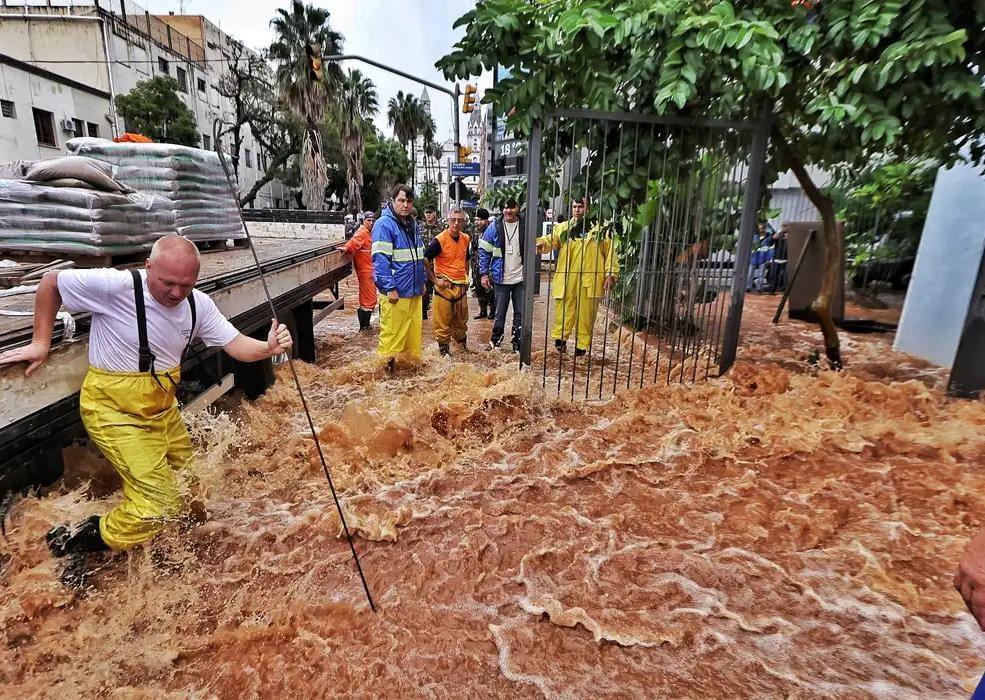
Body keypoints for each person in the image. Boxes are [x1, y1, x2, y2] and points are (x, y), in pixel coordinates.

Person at [0, 235, 293, 586]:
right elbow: (51, 283)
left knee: (192, 489)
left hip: (161, 409)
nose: (175, 293)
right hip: (113, 409)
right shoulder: (117, 286)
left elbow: (236, 345)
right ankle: (72, 539)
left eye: (185, 285)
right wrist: (40, 342)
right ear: (148, 267)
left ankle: (172, 551)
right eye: (167, 283)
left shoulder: (197, 304)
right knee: (159, 504)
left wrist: (267, 347)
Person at [536, 197, 618, 356]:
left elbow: (610, 254)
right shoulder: (563, 228)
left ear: (588, 208)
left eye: (580, 206)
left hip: (590, 280)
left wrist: (611, 274)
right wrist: (541, 243)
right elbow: (550, 240)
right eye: (574, 206)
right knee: (563, 313)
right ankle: (560, 347)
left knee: (586, 317)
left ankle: (581, 352)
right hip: (567, 279)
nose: (577, 209)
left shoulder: (600, 231)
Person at [373, 184, 426, 370]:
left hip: (414, 291)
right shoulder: (384, 225)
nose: (405, 205)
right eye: (401, 201)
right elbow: (380, 261)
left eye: (409, 201)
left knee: (412, 339)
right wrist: (389, 288)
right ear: (393, 201)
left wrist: (422, 281)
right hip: (396, 293)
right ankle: (385, 376)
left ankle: (408, 377)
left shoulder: (412, 224)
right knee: (391, 338)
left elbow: (419, 255)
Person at [479, 200, 525, 352]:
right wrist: (484, 274)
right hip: (500, 278)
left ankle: (517, 343)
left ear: (518, 208)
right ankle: (495, 341)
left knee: (520, 312)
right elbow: (484, 251)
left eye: (512, 207)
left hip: (520, 278)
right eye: (505, 208)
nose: (508, 211)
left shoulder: (526, 225)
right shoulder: (494, 227)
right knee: (499, 313)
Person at [424, 208, 471, 356]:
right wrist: (434, 280)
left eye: (460, 220)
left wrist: (467, 276)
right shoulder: (439, 240)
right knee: (442, 325)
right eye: (453, 220)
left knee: (462, 323)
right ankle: (444, 356)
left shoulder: (465, 238)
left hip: (461, 287)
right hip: (444, 288)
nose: (456, 223)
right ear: (448, 221)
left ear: (464, 222)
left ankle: (462, 353)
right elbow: (425, 259)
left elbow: (466, 258)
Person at [341, 210, 377, 331]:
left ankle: (365, 327)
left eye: (373, 220)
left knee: (368, 299)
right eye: (368, 220)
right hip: (365, 271)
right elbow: (353, 243)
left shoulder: (368, 233)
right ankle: (364, 327)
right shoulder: (362, 232)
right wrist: (346, 248)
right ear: (363, 221)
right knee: (369, 299)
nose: (371, 223)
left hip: (369, 270)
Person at [470, 208, 495, 319]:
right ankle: (483, 311)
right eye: (477, 220)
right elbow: (473, 248)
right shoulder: (475, 232)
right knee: (478, 288)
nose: (478, 222)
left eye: (480, 220)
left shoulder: (492, 230)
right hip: (476, 265)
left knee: (490, 289)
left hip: (489, 266)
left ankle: (493, 311)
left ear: (486, 220)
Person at [419, 206, 443, 320]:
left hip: (439, 265)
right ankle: (423, 316)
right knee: (424, 292)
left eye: (430, 212)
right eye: (426, 212)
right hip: (424, 266)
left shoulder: (442, 228)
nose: (428, 215)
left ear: (435, 214)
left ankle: (440, 316)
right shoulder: (419, 228)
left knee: (441, 292)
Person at [747, 223, 775, 293]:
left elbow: (771, 249)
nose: (761, 230)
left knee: (761, 274)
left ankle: (759, 287)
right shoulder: (754, 237)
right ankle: (748, 287)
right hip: (753, 258)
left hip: (763, 258)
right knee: (750, 273)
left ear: (765, 229)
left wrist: (769, 258)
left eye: (762, 228)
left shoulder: (769, 238)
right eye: (759, 229)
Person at [768, 225, 789, 294]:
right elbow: (769, 243)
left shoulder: (792, 235)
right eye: (783, 226)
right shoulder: (778, 234)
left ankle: (785, 290)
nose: (784, 227)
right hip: (777, 259)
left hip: (786, 259)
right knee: (774, 275)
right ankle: (772, 290)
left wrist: (789, 238)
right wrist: (773, 238)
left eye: (786, 226)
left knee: (786, 276)